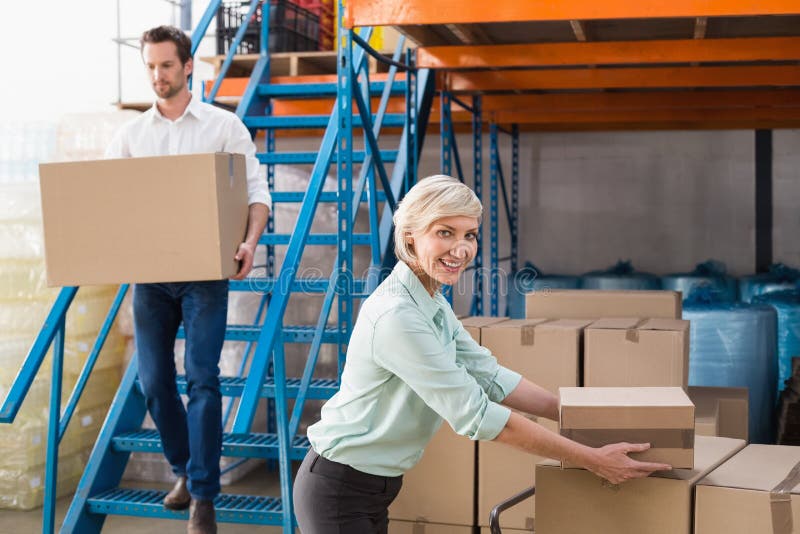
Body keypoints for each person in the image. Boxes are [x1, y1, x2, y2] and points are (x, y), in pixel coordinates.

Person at [293, 175, 670, 534]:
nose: (462, 249)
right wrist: (592, 459)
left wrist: (575, 415)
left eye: (469, 235)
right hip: (339, 487)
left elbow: (489, 375)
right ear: (410, 236)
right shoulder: (398, 317)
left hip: (374, 487)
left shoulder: (429, 300)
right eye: (445, 233)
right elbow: (477, 415)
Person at [105, 25, 271, 534]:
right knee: (155, 383)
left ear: (188, 66)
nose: (158, 76)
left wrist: (248, 243)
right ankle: (183, 469)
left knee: (202, 378)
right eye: (151, 67)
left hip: (204, 275)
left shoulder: (222, 127)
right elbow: (111, 203)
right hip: (151, 278)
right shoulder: (131, 136)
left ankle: (202, 495)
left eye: (167, 66)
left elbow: (256, 193)